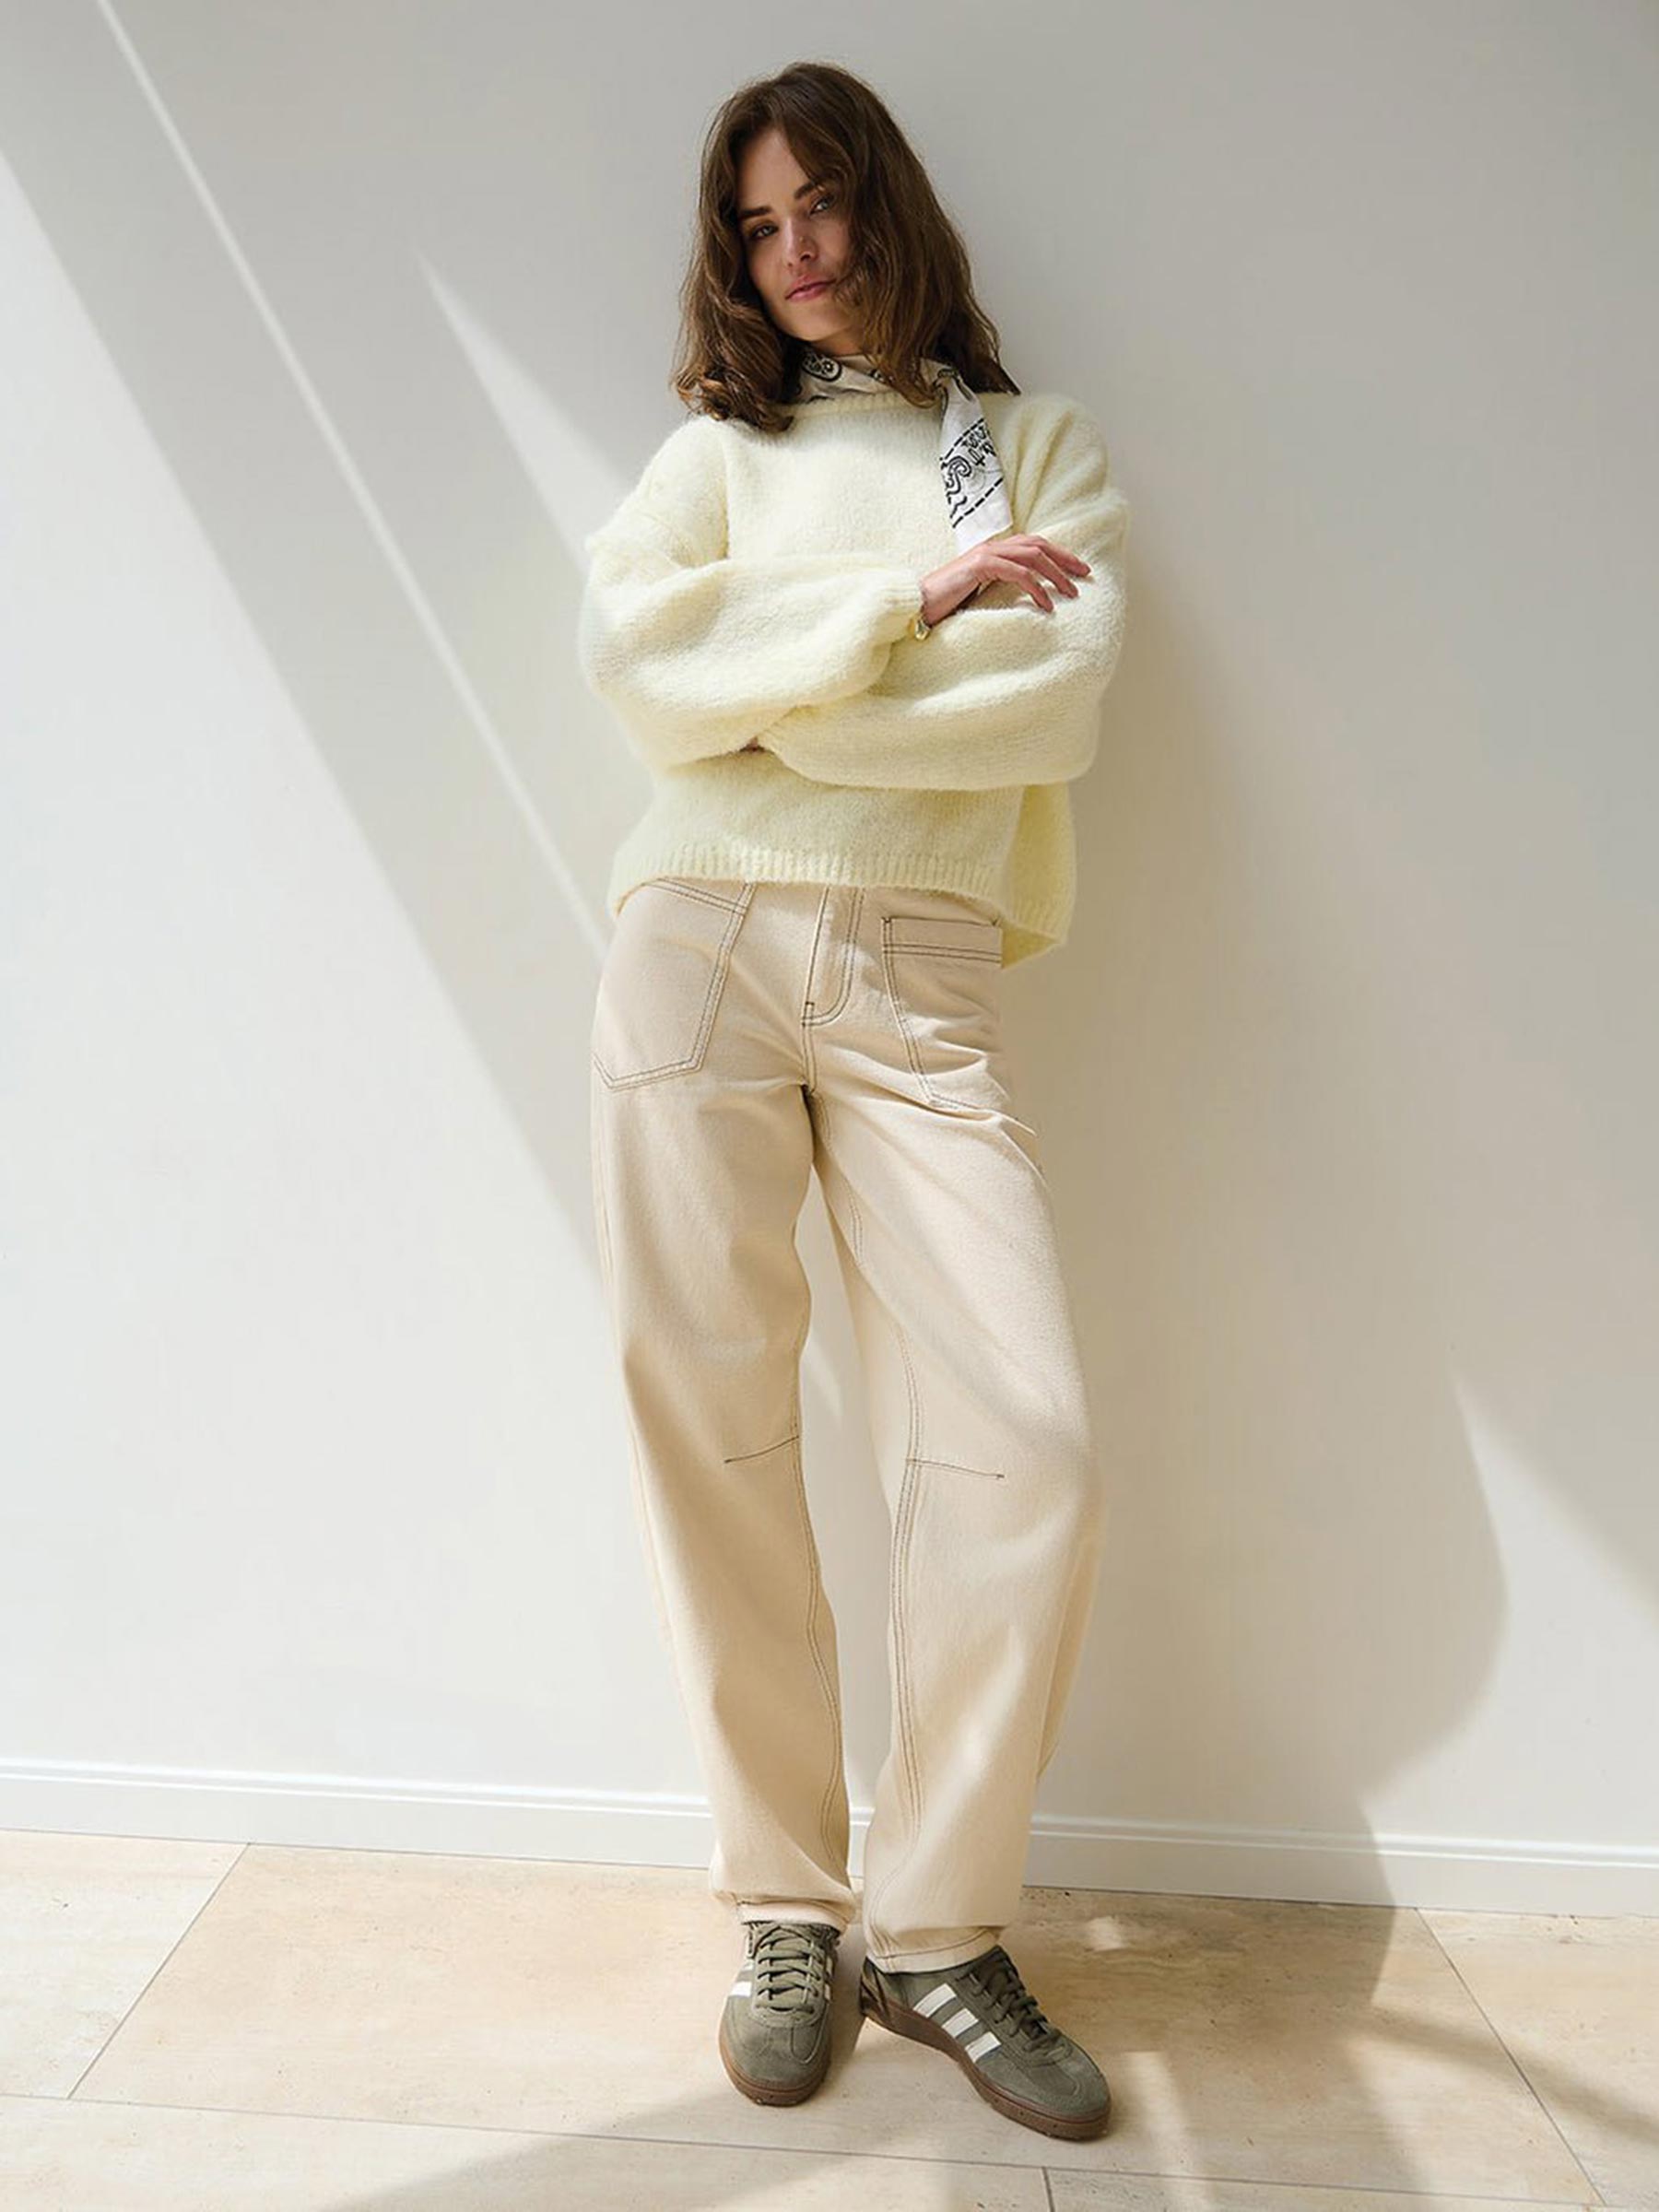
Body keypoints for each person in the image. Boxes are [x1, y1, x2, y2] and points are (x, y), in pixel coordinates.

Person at [577, 60, 1130, 2143]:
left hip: (923, 976)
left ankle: (939, 1926)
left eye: (820, 204)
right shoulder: (716, 455)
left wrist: (771, 696)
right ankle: (787, 1910)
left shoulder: (1024, 450)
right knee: (711, 1422)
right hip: (692, 945)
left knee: (1030, 1439)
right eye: (756, 224)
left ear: (888, 202)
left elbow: (1044, 707)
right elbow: (639, 669)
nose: (794, 250)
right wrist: (907, 606)